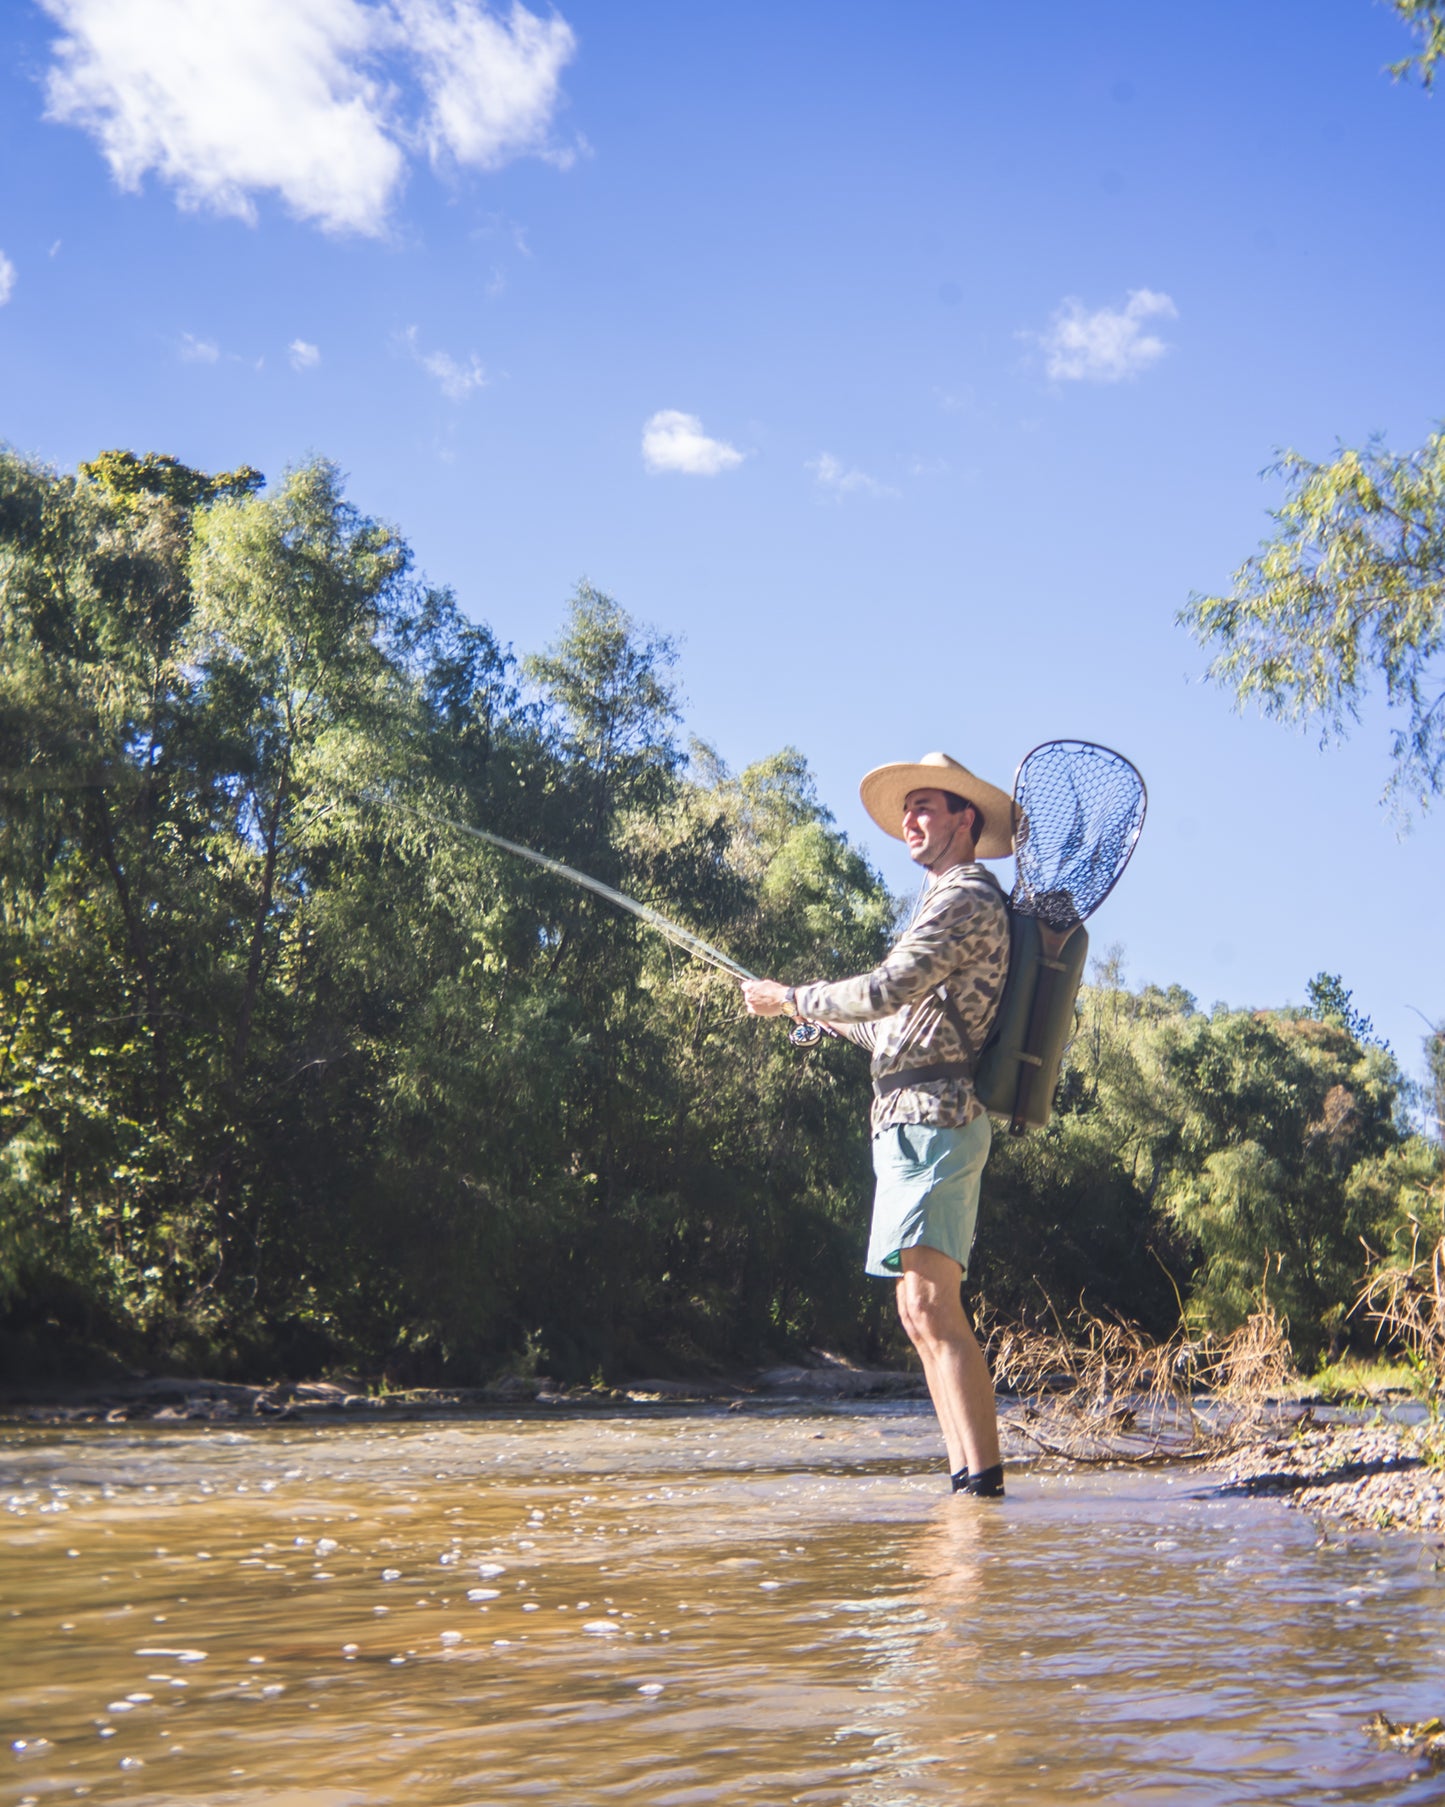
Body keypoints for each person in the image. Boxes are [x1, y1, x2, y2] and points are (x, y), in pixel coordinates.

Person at [741, 750, 1013, 1499]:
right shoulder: (936, 902)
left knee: (931, 1303)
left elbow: (886, 988)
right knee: (913, 1309)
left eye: (927, 806)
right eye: (908, 809)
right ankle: (966, 1485)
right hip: (902, 1121)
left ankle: (982, 1490)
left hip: (939, 1117)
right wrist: (804, 1012)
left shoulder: (965, 896)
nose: (911, 820)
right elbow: (893, 1024)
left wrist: (794, 995)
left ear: (966, 819)